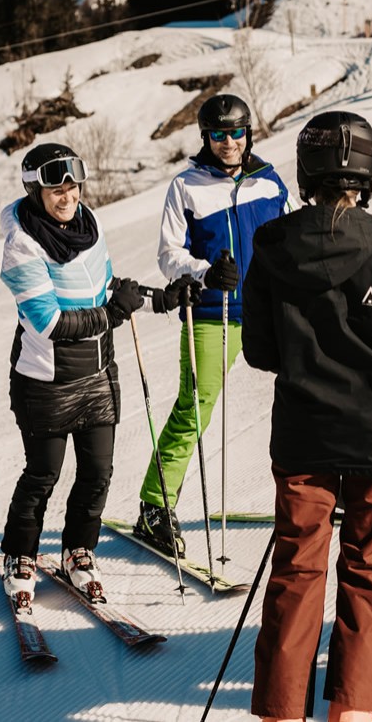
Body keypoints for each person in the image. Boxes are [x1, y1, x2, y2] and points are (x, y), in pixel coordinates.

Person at [241, 110, 372, 722]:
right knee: (371, 566)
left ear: (307, 172)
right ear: (367, 175)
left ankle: (281, 709)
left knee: (298, 567)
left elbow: (259, 351)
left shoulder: (271, 247)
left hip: (303, 437)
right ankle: (353, 708)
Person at [0, 142, 197, 605]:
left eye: (72, 186)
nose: (67, 196)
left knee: (97, 473)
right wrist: (112, 314)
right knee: (43, 475)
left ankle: (78, 549)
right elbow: (48, 322)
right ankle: (20, 554)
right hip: (46, 381)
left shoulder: (89, 224)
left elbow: (106, 287)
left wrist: (159, 299)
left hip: (98, 376)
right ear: (35, 192)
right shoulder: (22, 245)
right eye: (56, 190)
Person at [135, 94, 294, 554]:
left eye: (236, 132)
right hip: (212, 313)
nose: (229, 142)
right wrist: (205, 272)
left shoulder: (269, 181)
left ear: (249, 134)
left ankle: (327, 486)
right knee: (195, 406)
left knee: (309, 393)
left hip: (269, 311)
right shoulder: (187, 186)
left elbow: (290, 238)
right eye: (219, 134)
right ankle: (155, 507)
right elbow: (169, 255)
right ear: (206, 137)